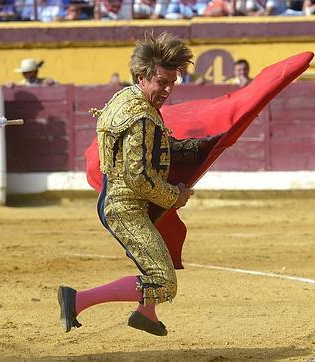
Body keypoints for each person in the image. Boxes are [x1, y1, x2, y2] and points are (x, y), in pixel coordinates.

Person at [58, 32, 220, 336]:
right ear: (142, 76)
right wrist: (175, 196)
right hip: (126, 207)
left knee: (154, 269)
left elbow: (155, 148)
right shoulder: (141, 115)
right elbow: (139, 177)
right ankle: (77, 300)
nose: (168, 89)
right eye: (162, 82)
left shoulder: (125, 99)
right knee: (163, 281)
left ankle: (146, 315)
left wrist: (197, 147)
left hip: (120, 201)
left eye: (172, 82)